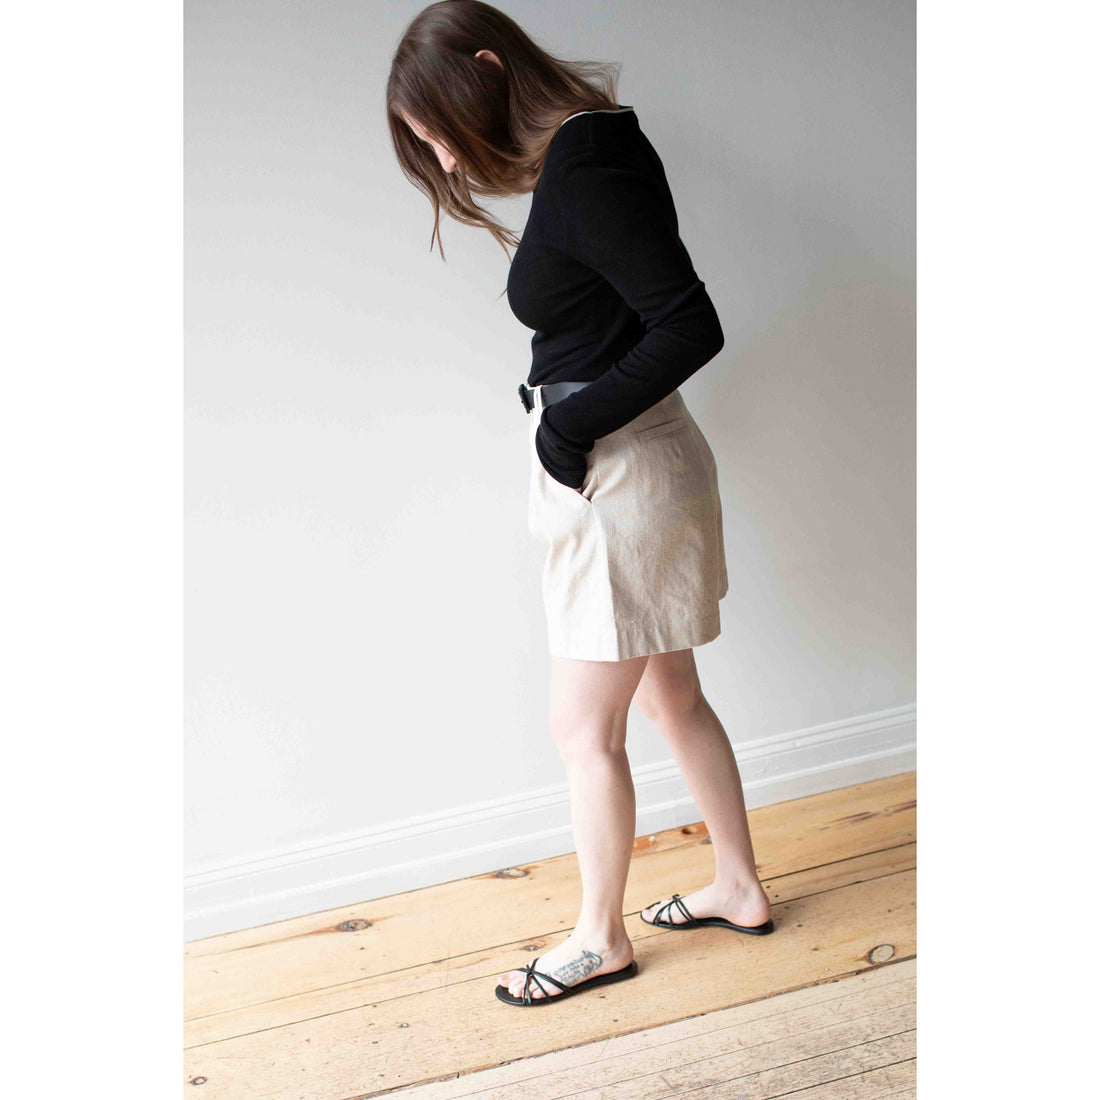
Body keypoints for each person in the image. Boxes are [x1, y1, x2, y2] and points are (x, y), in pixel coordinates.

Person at [387, 1, 772, 1008]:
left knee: (580, 730)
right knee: (669, 695)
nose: (446, 157)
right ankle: (737, 886)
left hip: (615, 469)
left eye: (438, 131)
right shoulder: (594, 147)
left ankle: (599, 938)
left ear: (486, 68)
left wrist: (565, 432)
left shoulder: (587, 164)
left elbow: (688, 323)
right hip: (628, 457)